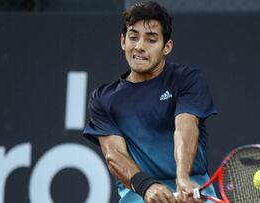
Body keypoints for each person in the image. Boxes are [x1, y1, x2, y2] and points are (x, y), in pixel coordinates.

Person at [83, 1, 217, 202]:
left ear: (167, 47)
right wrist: (146, 187)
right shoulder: (103, 98)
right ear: (123, 41)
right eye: (133, 37)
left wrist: (183, 178)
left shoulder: (186, 79)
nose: (139, 47)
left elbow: (185, 128)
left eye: (151, 40)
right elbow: (114, 155)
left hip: (192, 189)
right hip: (140, 194)